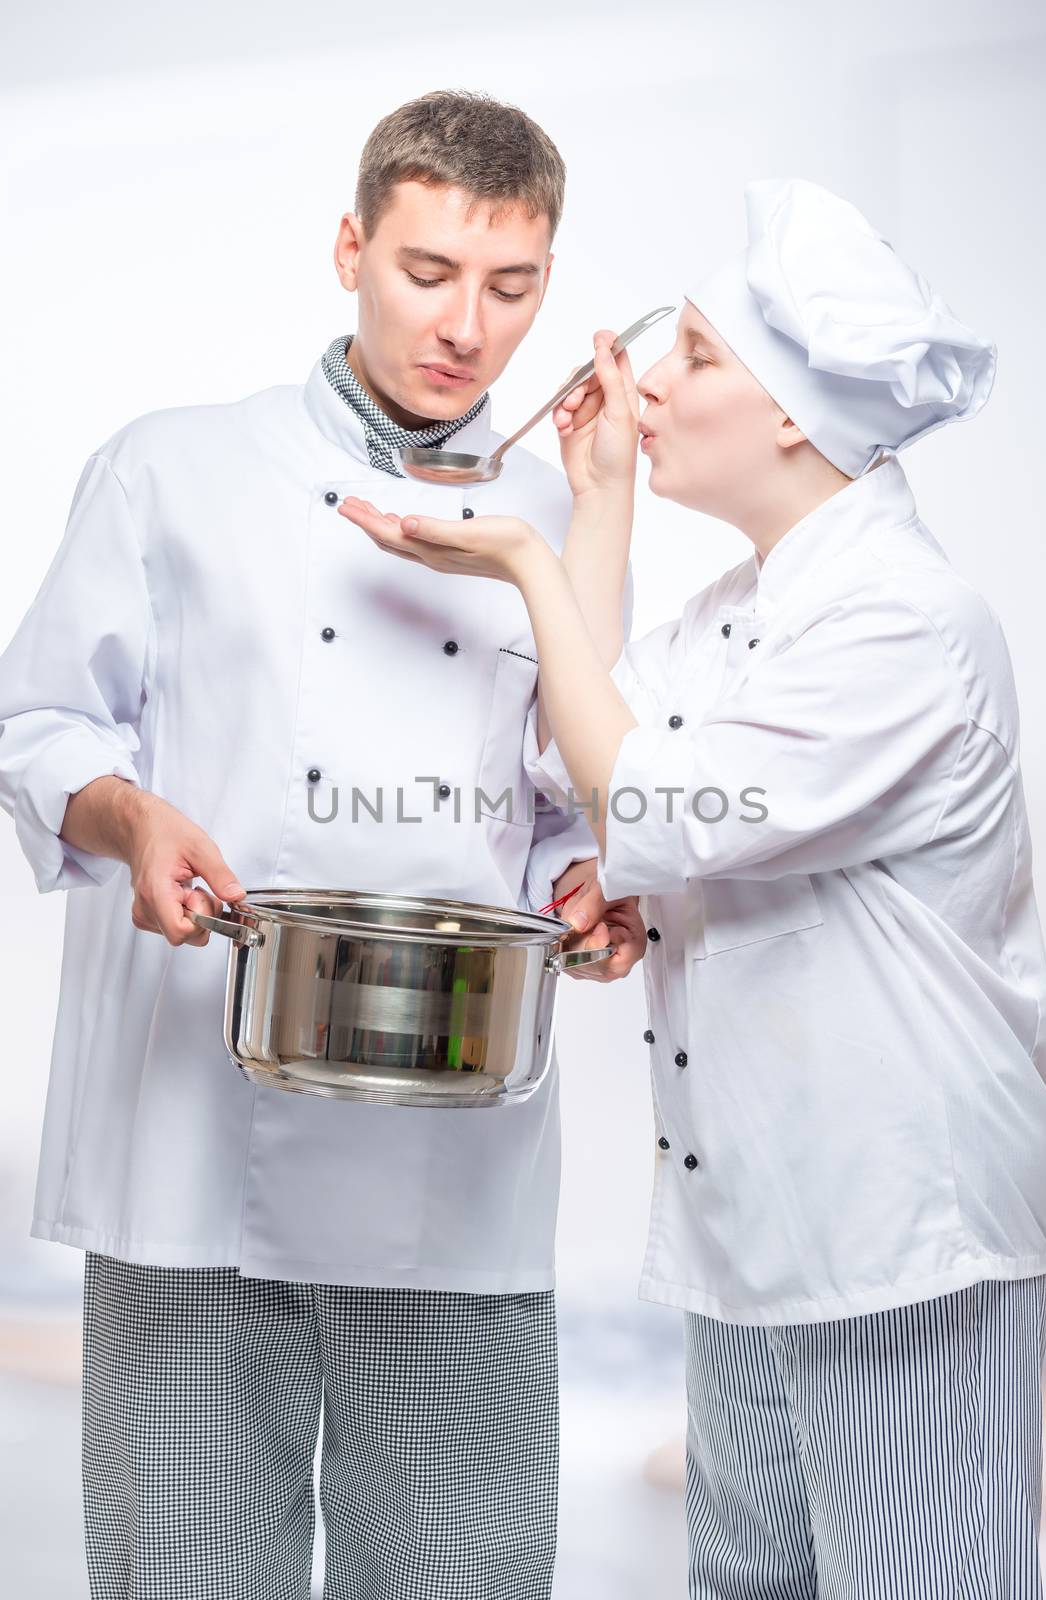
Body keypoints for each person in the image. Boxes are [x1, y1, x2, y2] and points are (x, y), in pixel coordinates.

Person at [340, 178, 1046, 1597]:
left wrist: (534, 561)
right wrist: (598, 505)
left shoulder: (908, 624)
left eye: (700, 360)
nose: (649, 381)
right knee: (747, 1584)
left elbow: (649, 807)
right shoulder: (743, 612)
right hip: (749, 1218)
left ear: (794, 415)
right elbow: (573, 743)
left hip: (896, 1225)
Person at [0, 89, 645, 1600]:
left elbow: (581, 786)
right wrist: (129, 814)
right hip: (194, 1152)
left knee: (464, 1577)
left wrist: (598, 887)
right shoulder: (174, 470)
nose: (467, 329)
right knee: (182, 1578)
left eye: (511, 289)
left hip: (453, 1161)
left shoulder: (558, 514)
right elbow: (35, 732)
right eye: (427, 273)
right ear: (350, 245)